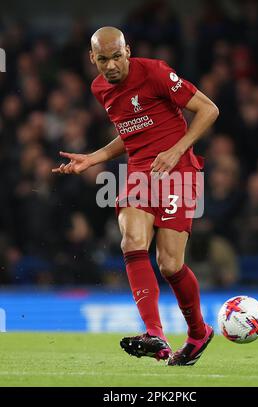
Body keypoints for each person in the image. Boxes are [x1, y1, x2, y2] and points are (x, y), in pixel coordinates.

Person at [52, 27, 219, 366]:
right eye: (103, 59)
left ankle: (198, 333)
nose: (111, 65)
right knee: (131, 240)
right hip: (140, 171)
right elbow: (130, 134)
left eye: (116, 56)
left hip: (178, 169)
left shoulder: (155, 72)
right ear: (92, 58)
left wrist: (176, 151)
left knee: (170, 264)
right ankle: (154, 333)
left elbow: (209, 110)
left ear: (127, 50)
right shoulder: (100, 88)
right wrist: (94, 157)